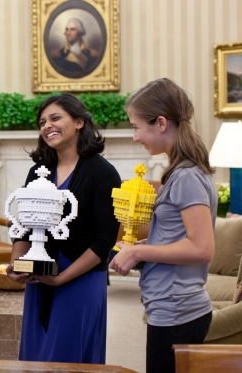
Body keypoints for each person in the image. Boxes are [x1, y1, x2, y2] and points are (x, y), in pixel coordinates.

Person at [110, 78, 216, 373]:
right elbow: (182, 237)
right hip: (172, 308)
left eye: (135, 127)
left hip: (177, 311)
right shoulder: (186, 172)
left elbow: (202, 248)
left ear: (160, 123)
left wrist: (138, 254)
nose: (134, 137)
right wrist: (143, 246)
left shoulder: (186, 177)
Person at [6, 93, 121, 363]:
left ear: (80, 122)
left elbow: (104, 241)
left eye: (55, 118)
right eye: (42, 122)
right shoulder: (37, 172)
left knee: (68, 357)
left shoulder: (103, 173)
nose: (47, 126)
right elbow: (23, 226)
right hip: (39, 278)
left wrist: (60, 278)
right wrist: (16, 265)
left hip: (79, 279)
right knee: (36, 356)